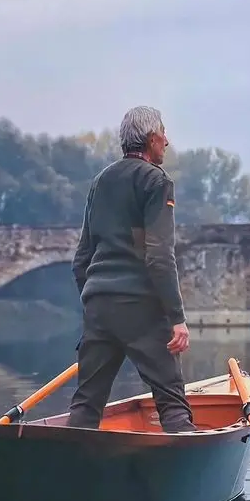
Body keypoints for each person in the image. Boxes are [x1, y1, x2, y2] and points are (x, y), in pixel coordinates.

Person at [66, 106, 197, 433]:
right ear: (152, 139)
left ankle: (66, 469)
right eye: (163, 134)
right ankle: (184, 467)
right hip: (141, 308)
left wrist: (96, 302)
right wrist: (177, 318)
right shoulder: (156, 181)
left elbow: (82, 259)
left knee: (86, 405)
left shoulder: (100, 182)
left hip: (99, 306)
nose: (167, 141)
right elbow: (159, 255)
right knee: (172, 403)